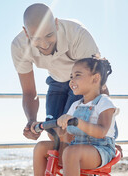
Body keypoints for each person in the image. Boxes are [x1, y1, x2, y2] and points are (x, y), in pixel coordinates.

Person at [38, 56, 119, 176]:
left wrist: (77, 122)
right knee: (42, 148)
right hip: (77, 148)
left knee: (71, 152)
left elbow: (102, 130)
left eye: (77, 75)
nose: (71, 80)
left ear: (95, 78)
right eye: (71, 76)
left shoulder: (104, 102)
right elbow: (66, 136)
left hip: (100, 149)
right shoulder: (75, 104)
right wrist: (46, 126)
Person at [11, 3, 104, 142]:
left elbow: (96, 81)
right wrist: (31, 121)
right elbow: (29, 92)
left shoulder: (78, 34)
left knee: (68, 131)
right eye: (36, 38)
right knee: (52, 132)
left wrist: (106, 129)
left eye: (49, 35)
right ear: (26, 33)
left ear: (56, 24)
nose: (44, 44)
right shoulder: (19, 46)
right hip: (56, 81)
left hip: (82, 81)